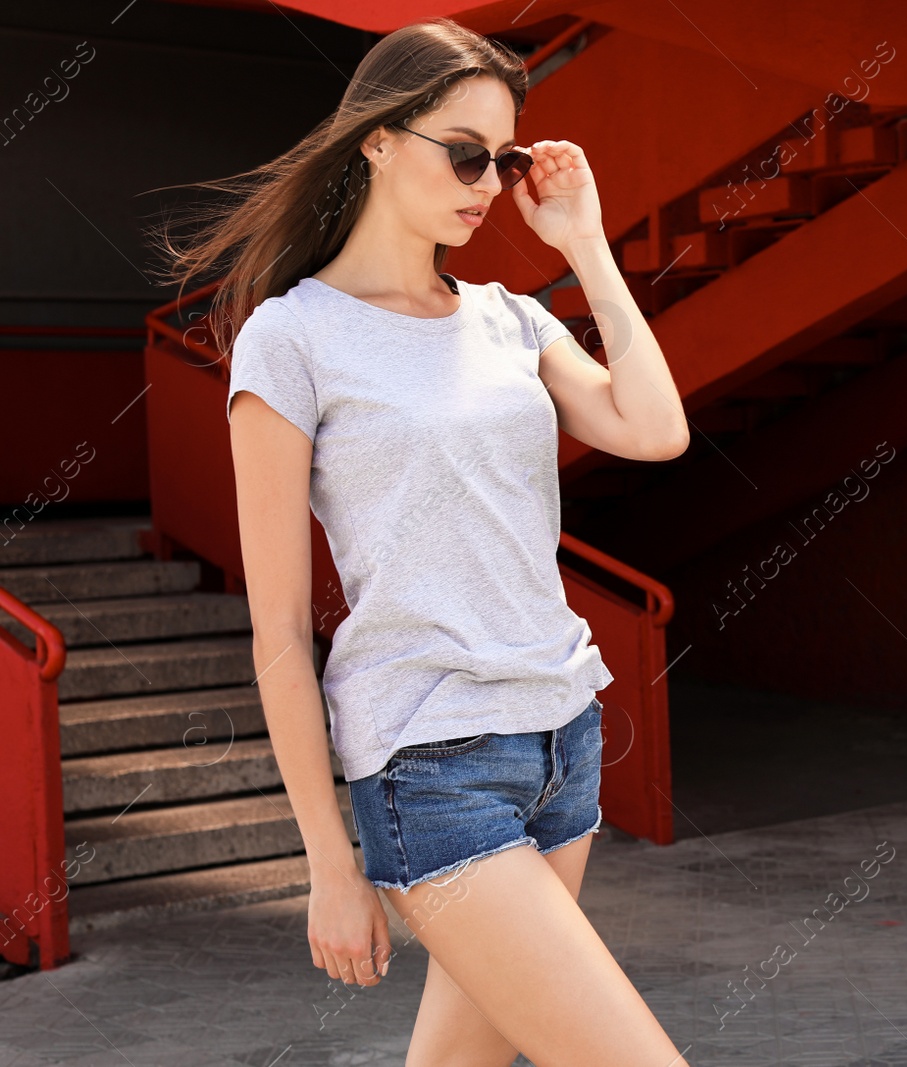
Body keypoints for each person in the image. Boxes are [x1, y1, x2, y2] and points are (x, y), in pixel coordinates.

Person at [154, 16, 691, 1066]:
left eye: (502, 158)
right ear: (378, 140)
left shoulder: (509, 319)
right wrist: (327, 861)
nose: (487, 182)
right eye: (463, 151)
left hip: (560, 741)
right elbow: (275, 633)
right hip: (430, 761)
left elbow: (654, 428)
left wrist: (582, 243)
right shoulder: (292, 336)